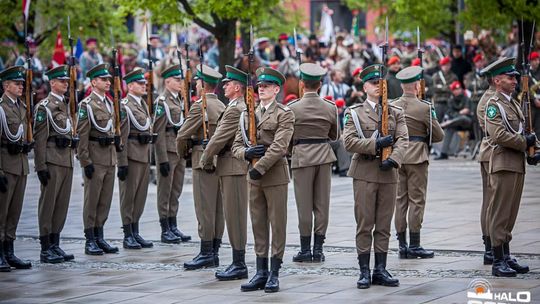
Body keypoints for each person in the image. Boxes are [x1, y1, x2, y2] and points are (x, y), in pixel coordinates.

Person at [342, 64, 408, 289]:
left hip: (388, 173)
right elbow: (348, 142)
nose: (378, 86)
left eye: (381, 83)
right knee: (365, 223)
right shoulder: (355, 113)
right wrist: (375, 144)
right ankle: (364, 271)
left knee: (383, 224)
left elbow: (403, 140)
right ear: (364, 87)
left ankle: (380, 269)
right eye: (373, 83)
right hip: (365, 173)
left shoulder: (396, 112)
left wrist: (394, 159)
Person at [232, 67, 294, 293]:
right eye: (260, 86)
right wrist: (245, 155)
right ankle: (260, 271)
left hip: (274, 174)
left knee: (277, 225)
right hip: (253, 175)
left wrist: (262, 167)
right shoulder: (247, 114)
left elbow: (280, 145)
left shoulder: (284, 113)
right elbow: (236, 145)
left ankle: (274, 273)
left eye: (267, 86)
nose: (262, 89)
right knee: (258, 224)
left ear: (277, 89)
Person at [483, 57, 540, 277]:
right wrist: (524, 144)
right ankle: (498, 260)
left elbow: (525, 132)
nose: (514, 80)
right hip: (503, 163)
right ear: (497, 80)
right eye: (510, 77)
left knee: (510, 213)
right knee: (500, 212)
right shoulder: (494, 105)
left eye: (515, 77)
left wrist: (534, 148)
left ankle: (506, 255)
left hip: (516, 163)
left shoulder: (513, 103)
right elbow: (498, 134)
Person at [200, 65, 250, 280]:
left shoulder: (235, 108)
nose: (225, 86)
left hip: (233, 167)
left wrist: (205, 158)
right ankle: (236, 261)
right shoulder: (236, 106)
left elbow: (219, 138)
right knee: (232, 215)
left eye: (228, 84)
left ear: (237, 87)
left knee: (235, 216)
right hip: (230, 166)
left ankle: (239, 264)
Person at [288, 63, 339, 263]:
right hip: (324, 156)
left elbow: (287, 137)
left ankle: (304, 249)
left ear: (302, 84)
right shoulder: (330, 107)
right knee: (321, 205)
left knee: (304, 205)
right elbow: (335, 136)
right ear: (319, 85)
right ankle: (318, 249)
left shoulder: (292, 108)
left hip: (301, 156)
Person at [392, 66, 444, 259]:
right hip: (417, 156)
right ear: (417, 85)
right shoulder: (424, 107)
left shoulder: (392, 105)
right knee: (417, 200)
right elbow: (438, 135)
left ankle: (402, 244)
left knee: (400, 201)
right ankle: (414, 244)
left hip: (397, 156)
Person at [177, 64, 225, 270]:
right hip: (220, 161)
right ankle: (214, 250)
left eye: (197, 81)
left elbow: (182, 135)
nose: (195, 84)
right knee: (217, 209)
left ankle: (206, 252)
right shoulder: (223, 106)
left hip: (201, 160)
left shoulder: (200, 106)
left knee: (204, 208)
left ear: (202, 85)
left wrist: (183, 153)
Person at [34, 65, 76, 263]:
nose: (65, 84)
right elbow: (40, 138)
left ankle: (55, 243)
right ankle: (45, 247)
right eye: (61, 81)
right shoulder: (45, 107)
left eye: (67, 81)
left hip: (66, 159)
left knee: (61, 204)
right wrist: (40, 166)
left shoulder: (65, 105)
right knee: (48, 204)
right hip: (52, 160)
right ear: (52, 83)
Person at [77, 63, 119, 256]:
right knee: (92, 200)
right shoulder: (86, 105)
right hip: (95, 158)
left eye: (108, 79)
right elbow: (82, 135)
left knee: (105, 200)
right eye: (103, 79)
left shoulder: (109, 103)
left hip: (109, 158)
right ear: (93, 82)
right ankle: (90, 239)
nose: (108, 82)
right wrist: (85, 162)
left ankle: (100, 235)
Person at [153, 64, 191, 244]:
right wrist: (161, 160)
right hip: (167, 151)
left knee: (176, 190)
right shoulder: (162, 102)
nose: (180, 83)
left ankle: (173, 224)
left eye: (181, 80)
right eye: (177, 80)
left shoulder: (180, 100)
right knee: (165, 191)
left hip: (179, 152)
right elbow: (158, 132)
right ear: (167, 81)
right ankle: (164, 228)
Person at [0, 66, 33, 271]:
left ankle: (9, 250)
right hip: (6, 166)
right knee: (1, 212)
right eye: (17, 84)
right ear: (6, 85)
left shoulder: (21, 107)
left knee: (14, 212)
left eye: (22, 84)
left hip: (20, 166)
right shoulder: (1, 108)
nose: (21, 86)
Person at [117, 68, 153, 250]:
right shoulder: (124, 106)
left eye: (144, 83)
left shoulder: (142, 104)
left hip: (144, 154)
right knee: (129, 196)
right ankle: (127, 234)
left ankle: (135, 230)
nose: (143, 85)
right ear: (130, 86)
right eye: (140, 83)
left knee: (140, 196)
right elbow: (122, 136)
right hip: (131, 156)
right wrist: (122, 162)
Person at [475, 63, 496, 265]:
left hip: (497, 153)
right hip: (492, 152)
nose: (514, 82)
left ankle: (497, 246)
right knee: (491, 202)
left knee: (496, 202)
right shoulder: (489, 100)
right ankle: (490, 247)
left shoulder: (498, 98)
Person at [435, 81, 472, 160]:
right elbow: (450, 113)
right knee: (449, 129)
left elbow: (467, 110)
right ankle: (444, 153)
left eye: (459, 89)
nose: (458, 90)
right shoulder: (450, 100)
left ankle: (446, 124)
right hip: (455, 123)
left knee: (462, 118)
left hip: (466, 122)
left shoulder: (466, 98)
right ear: (453, 91)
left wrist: (458, 114)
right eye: (456, 89)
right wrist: (459, 114)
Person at [432, 57, 458, 122]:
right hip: (438, 102)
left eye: (448, 65)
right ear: (441, 66)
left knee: (449, 121)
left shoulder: (453, 76)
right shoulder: (436, 76)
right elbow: (434, 88)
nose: (446, 67)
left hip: (449, 101)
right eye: (444, 65)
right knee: (438, 121)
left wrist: (441, 87)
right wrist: (447, 88)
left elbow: (455, 89)